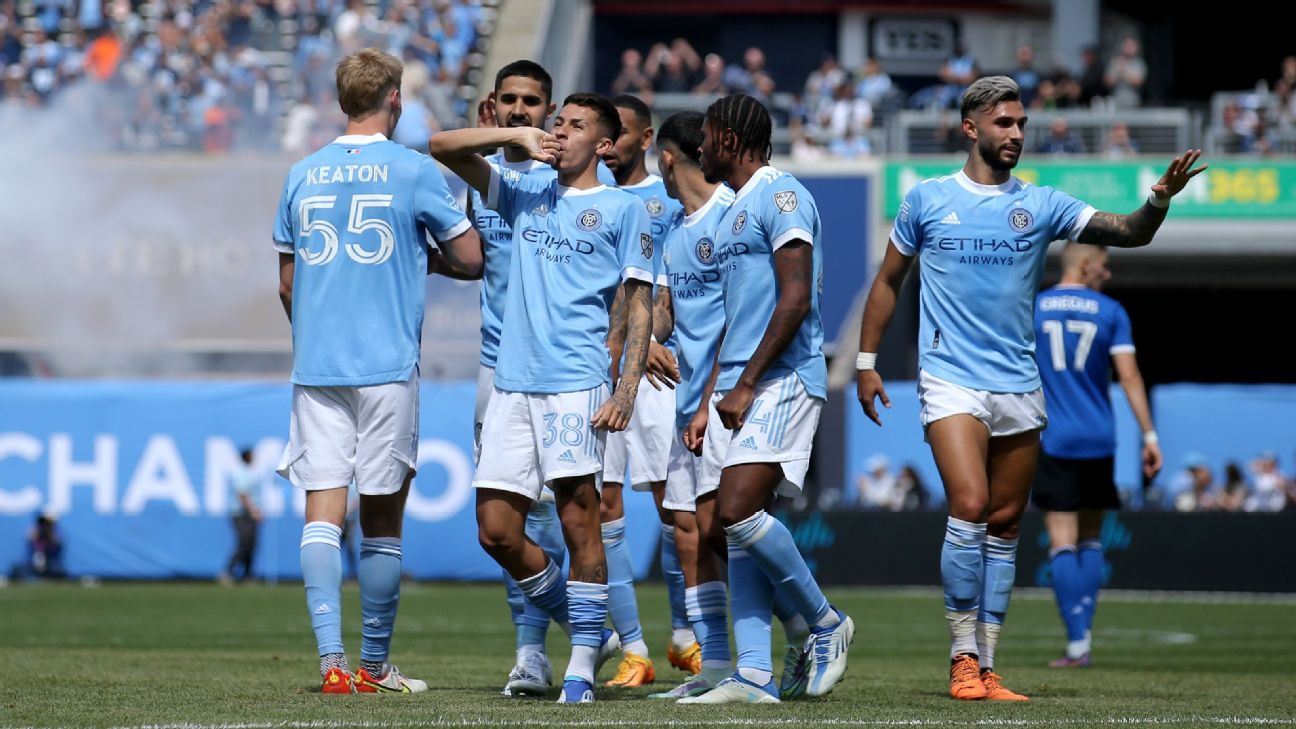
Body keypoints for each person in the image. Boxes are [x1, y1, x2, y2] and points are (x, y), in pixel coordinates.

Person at [855, 76, 1204, 702]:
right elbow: (888, 282)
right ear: (971, 127)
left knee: (1008, 522)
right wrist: (865, 360)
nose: (1016, 134)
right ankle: (962, 657)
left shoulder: (1042, 203)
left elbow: (1129, 231)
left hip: (1018, 381)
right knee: (970, 503)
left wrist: (1158, 199)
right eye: (1004, 124)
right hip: (949, 378)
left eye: (1020, 124)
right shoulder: (926, 200)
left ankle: (989, 666)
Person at [431, 91, 656, 704]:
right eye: (558, 121)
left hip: (574, 386)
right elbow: (440, 147)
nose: (559, 129)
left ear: (604, 145)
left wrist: (627, 389)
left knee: (580, 522)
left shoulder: (623, 208)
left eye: (575, 124)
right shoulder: (522, 187)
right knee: (496, 530)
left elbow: (639, 305)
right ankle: (586, 626)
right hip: (510, 383)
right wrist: (517, 140)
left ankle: (582, 664)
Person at [273, 47, 484, 695]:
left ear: (342, 101)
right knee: (383, 519)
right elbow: (472, 259)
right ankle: (372, 664)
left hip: (318, 363)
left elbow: (287, 285)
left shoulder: (302, 173)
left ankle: (332, 662)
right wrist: (421, 256)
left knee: (322, 511)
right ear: (395, 98)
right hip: (387, 363)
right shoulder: (414, 170)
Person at [680, 93, 853, 704]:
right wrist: (712, 396)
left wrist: (749, 381)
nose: (699, 146)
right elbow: (739, 313)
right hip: (735, 383)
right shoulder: (731, 211)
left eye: (705, 135)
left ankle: (826, 622)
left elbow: (795, 297)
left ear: (729, 137)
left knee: (735, 508)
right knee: (733, 528)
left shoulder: (784, 196)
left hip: (781, 377)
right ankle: (753, 673)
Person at [641, 109, 736, 699]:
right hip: (686, 399)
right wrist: (648, 335)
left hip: (724, 397)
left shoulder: (732, 216)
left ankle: (810, 622)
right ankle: (715, 666)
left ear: (668, 156)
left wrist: (707, 400)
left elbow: (741, 319)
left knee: (723, 528)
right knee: (688, 532)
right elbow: (669, 309)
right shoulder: (675, 228)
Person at [1032, 242, 1163, 668]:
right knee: (1091, 539)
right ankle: (1084, 635)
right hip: (1100, 438)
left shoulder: (1034, 307)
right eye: (1104, 266)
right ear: (1086, 265)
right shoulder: (1111, 312)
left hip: (1054, 437)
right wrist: (1149, 435)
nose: (1107, 274)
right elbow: (1128, 376)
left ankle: (1076, 643)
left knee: (1062, 541)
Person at [599, 92, 691, 687]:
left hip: (656, 372)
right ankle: (634, 649)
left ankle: (685, 635)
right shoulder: (582, 197)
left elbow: (674, 284)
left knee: (671, 505)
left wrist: (647, 335)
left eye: (620, 134)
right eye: (601, 135)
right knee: (603, 506)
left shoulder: (669, 201)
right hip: (595, 369)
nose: (608, 145)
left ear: (646, 139)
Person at [221, 448, 263, 585]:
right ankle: (228, 572)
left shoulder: (252, 473)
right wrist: (253, 511)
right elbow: (242, 494)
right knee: (244, 542)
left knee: (252, 544)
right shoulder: (240, 473)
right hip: (241, 514)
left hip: (250, 514)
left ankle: (248, 574)